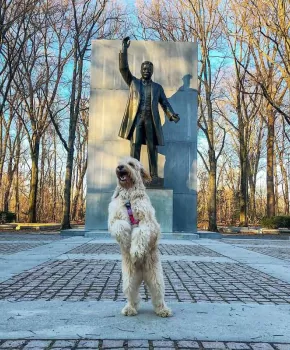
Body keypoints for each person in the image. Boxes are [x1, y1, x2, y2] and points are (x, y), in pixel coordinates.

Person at [118, 36, 180, 186]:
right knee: (135, 147)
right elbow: (123, 68)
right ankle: (134, 174)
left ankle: (153, 175)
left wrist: (171, 115)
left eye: (149, 69)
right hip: (137, 120)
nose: (146, 71)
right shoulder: (133, 82)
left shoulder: (157, 87)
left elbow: (164, 102)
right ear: (141, 70)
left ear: (152, 72)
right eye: (144, 69)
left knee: (152, 148)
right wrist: (124, 50)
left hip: (151, 121)